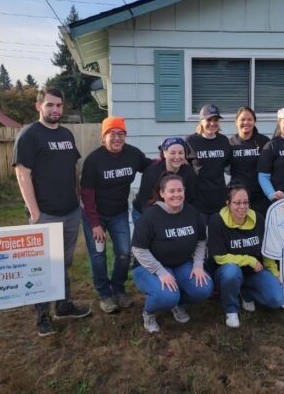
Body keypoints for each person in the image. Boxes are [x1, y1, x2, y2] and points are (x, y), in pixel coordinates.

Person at [12, 86, 91, 337]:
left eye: (59, 105)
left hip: (70, 212)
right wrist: (35, 214)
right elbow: (23, 175)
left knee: (63, 263)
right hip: (45, 214)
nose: (55, 109)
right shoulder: (29, 135)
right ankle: (42, 316)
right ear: (39, 106)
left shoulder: (67, 134)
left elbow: (73, 169)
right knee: (43, 266)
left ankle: (64, 306)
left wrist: (78, 199)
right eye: (50, 105)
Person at [80, 117, 151, 314]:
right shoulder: (94, 160)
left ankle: (118, 289)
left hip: (119, 213)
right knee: (98, 255)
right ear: (104, 137)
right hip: (94, 214)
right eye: (112, 134)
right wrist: (95, 224)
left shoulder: (132, 154)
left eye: (121, 134)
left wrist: (170, 159)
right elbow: (86, 193)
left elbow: (150, 166)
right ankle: (104, 294)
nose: (117, 138)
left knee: (123, 253)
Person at [131, 174, 213, 333]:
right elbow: (139, 249)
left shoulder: (191, 212)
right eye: (171, 191)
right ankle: (149, 312)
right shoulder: (150, 216)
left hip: (181, 264)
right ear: (162, 193)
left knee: (203, 288)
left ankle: (176, 304)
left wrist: (197, 265)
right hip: (148, 267)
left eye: (179, 190)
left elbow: (201, 241)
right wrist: (160, 272)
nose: (176, 194)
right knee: (166, 295)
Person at [208, 183, 283, 328]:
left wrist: (274, 272)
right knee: (231, 272)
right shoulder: (217, 221)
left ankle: (245, 292)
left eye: (245, 202)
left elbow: (266, 249)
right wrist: (248, 260)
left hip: (253, 273)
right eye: (237, 203)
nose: (242, 207)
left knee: (277, 300)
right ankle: (231, 309)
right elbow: (219, 256)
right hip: (227, 272)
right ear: (228, 203)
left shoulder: (258, 219)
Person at [185, 104, 232, 225]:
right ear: (201, 121)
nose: (212, 123)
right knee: (200, 239)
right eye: (208, 120)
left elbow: (228, 167)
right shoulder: (191, 141)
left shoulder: (223, 141)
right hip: (198, 201)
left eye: (215, 120)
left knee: (217, 238)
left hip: (219, 200)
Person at [132, 137, 196, 224]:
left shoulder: (188, 172)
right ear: (164, 153)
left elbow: (190, 200)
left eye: (181, 153)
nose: (177, 157)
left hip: (174, 212)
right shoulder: (151, 172)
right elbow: (145, 202)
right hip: (145, 211)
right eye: (172, 153)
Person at [229, 107, 271, 215]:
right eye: (242, 119)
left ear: (254, 122)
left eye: (249, 119)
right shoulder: (230, 143)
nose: (246, 122)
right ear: (236, 122)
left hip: (260, 196)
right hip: (238, 198)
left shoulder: (264, 141)